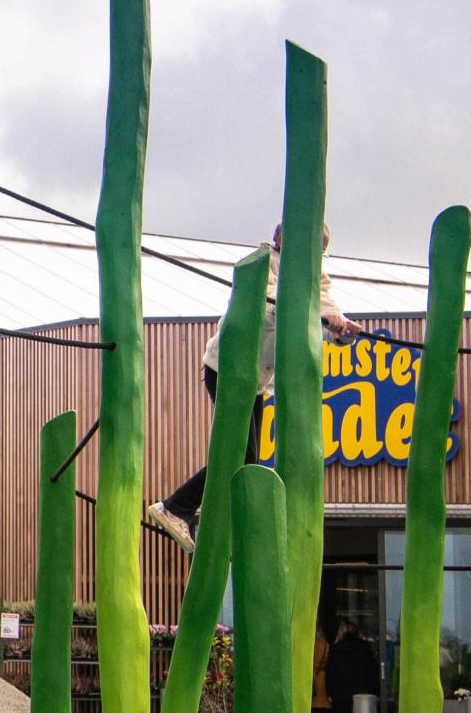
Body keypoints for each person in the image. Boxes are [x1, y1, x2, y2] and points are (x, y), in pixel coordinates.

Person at [147, 222, 358, 549]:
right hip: (228, 369)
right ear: (277, 240)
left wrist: (340, 331)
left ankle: (188, 509)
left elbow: (325, 307)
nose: (309, 258)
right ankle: (176, 507)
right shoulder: (263, 265)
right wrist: (321, 318)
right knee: (239, 455)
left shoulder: (315, 278)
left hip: (255, 380)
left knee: (249, 459)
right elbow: (271, 307)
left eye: (316, 253)